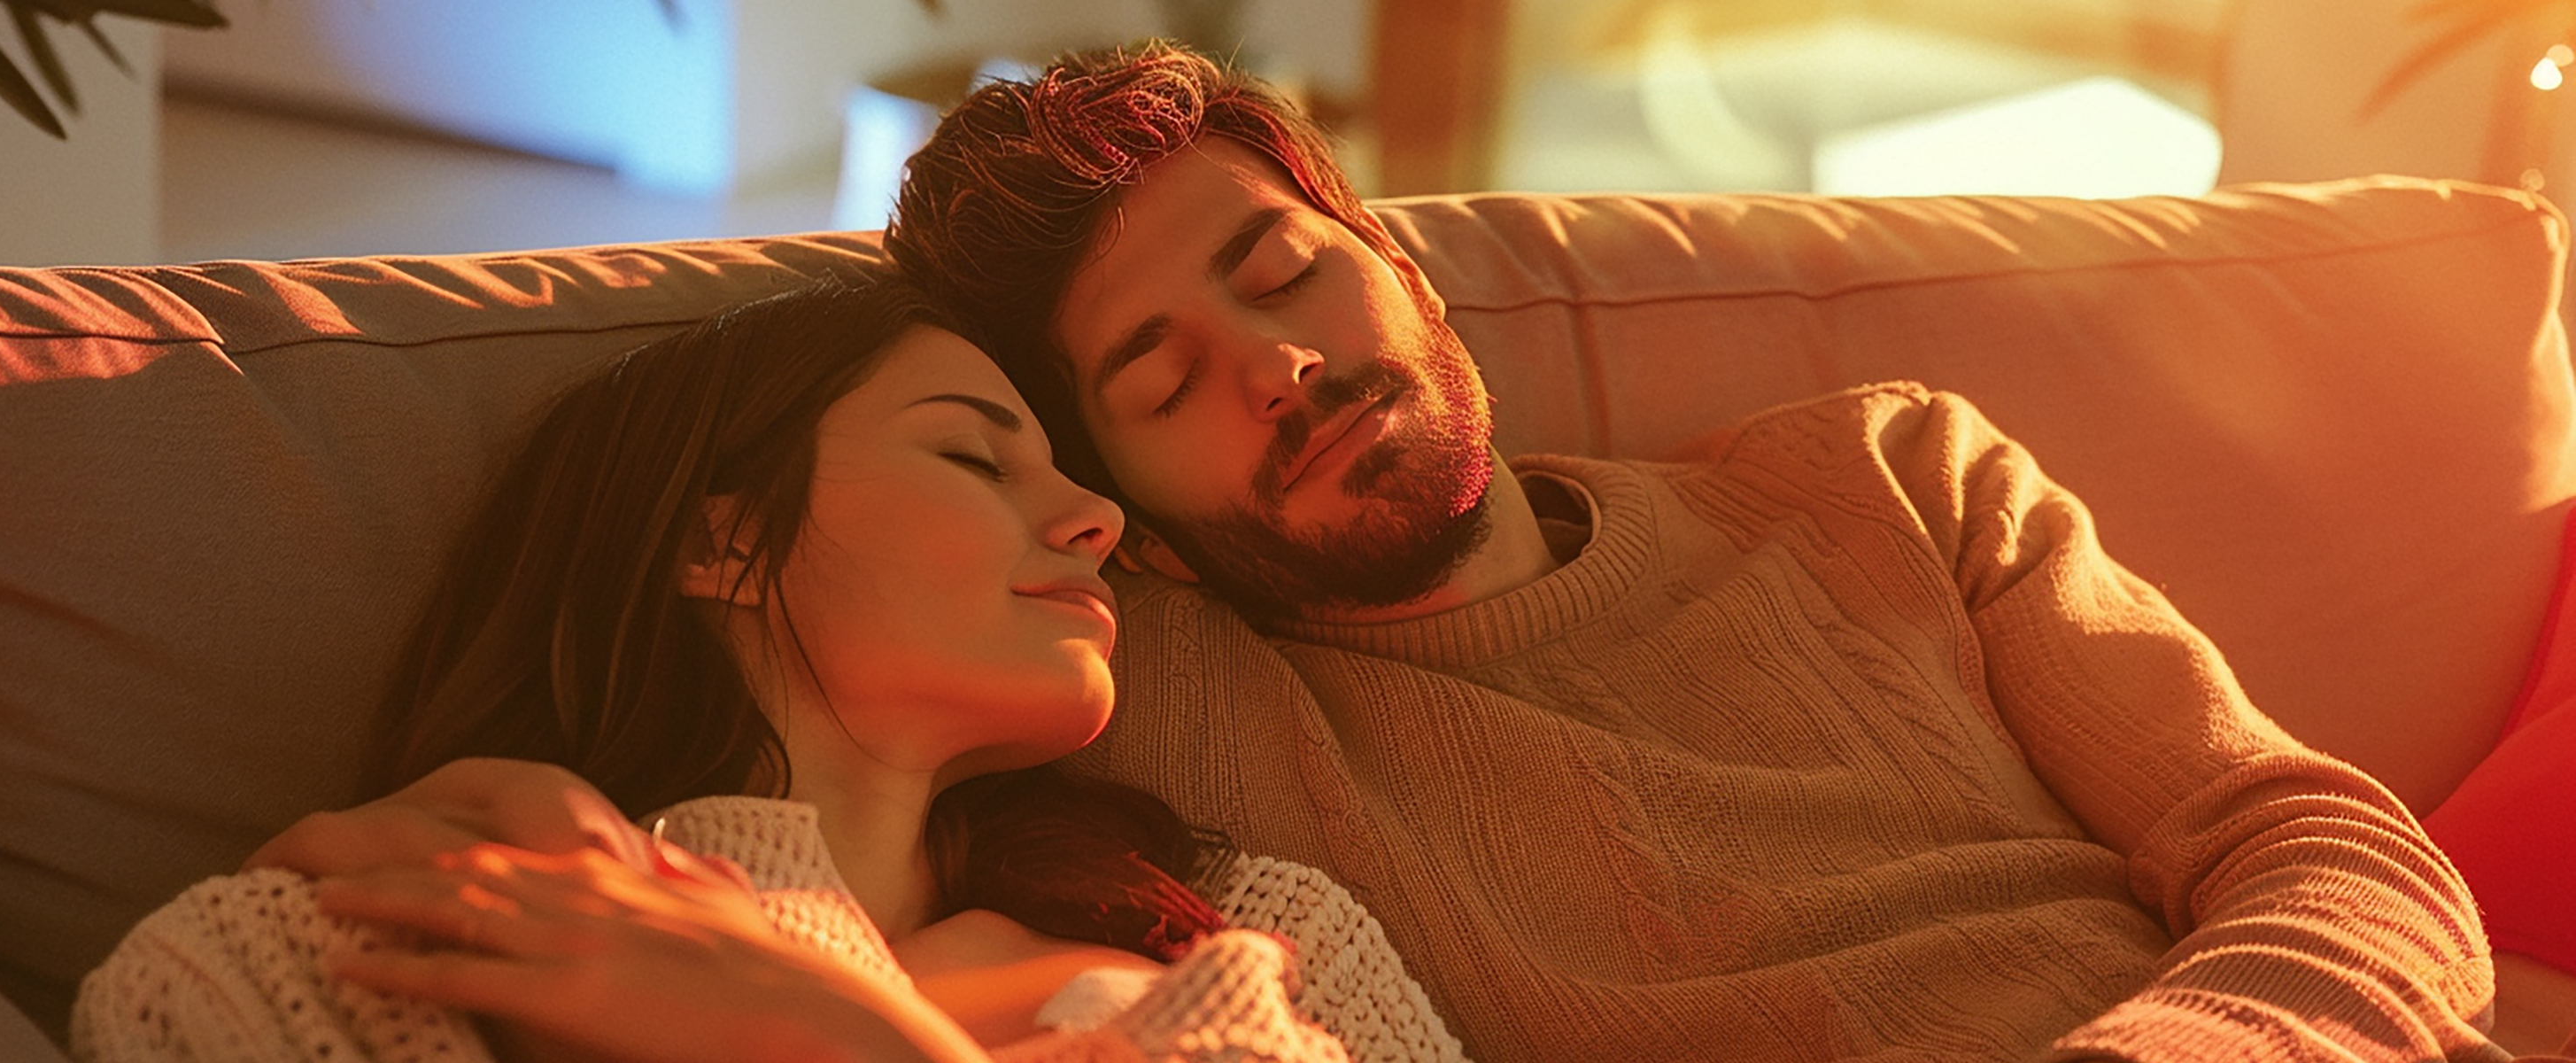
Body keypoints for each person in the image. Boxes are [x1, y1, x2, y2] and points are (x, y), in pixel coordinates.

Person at [255, 44, 2561, 1063]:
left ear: (1393, 258)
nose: (1271, 369)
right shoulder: (1164, 685)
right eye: (1156, 383)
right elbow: (793, 704)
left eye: (1279, 274)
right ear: (1118, 508)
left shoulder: (1885, 473)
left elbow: (2315, 844)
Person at [71, 279, 1465, 1063]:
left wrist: (831, 1036)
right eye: (976, 455)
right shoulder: (413, 917)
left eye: (1069, 472)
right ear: (718, 546)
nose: (1093, 520)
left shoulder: (1254, 922)